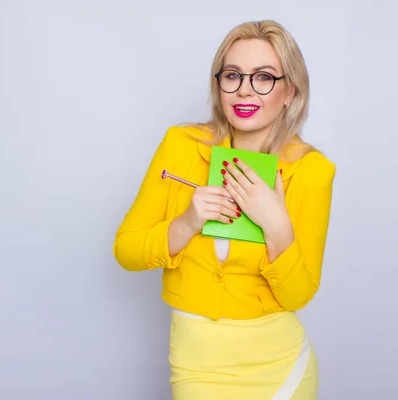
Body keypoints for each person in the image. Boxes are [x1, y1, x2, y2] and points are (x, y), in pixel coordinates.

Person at [113, 19, 336, 400]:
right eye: (232, 75)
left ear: (290, 91)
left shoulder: (312, 170)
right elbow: (126, 251)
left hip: (279, 370)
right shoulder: (181, 146)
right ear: (219, 84)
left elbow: (299, 295)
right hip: (196, 369)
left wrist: (276, 224)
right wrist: (186, 223)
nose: (244, 90)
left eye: (264, 77)